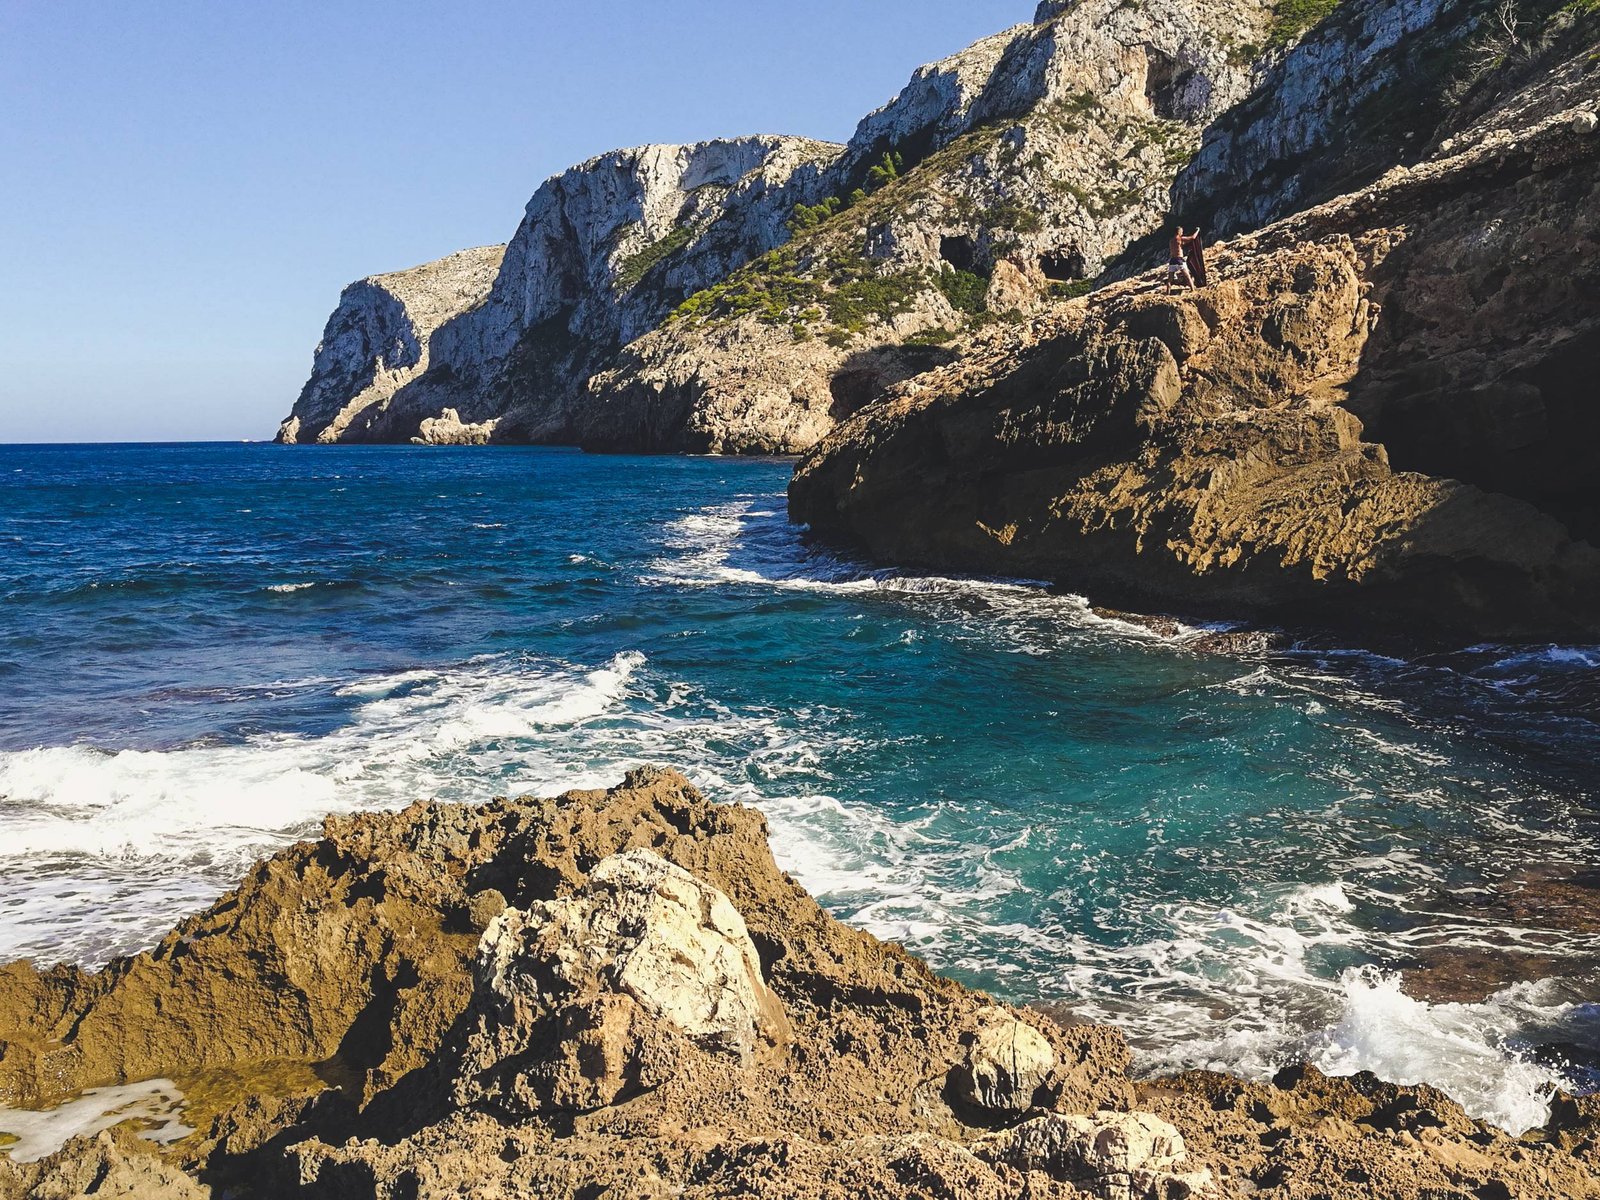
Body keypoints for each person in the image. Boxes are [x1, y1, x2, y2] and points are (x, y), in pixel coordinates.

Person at [1165, 227, 1199, 293]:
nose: (1182, 233)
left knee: (1170, 279)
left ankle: (1167, 292)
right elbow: (1193, 237)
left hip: (1172, 261)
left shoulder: (1171, 240)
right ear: (1178, 232)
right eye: (1181, 231)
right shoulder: (1180, 238)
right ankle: (1193, 290)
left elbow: (1178, 246)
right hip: (1179, 260)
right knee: (1187, 276)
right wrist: (1197, 231)